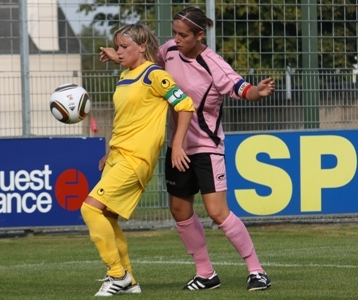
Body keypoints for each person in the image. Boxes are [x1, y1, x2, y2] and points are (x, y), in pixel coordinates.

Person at [100, 7, 275, 292]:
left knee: (217, 212)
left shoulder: (213, 63)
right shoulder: (168, 51)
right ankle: (206, 273)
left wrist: (258, 91)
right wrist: (115, 53)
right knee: (180, 210)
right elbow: (142, 61)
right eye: (175, 33)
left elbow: (241, 88)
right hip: (177, 147)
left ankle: (257, 270)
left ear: (199, 35)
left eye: (184, 35)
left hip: (206, 147)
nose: (177, 39)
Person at [82, 23, 195, 297]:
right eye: (117, 47)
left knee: (90, 209)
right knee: (107, 215)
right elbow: (127, 119)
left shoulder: (154, 75)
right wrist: (110, 151)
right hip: (118, 156)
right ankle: (129, 281)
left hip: (136, 159)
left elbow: (185, 104)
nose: (120, 52)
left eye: (125, 47)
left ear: (142, 47)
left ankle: (116, 274)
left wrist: (177, 144)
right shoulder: (125, 75)